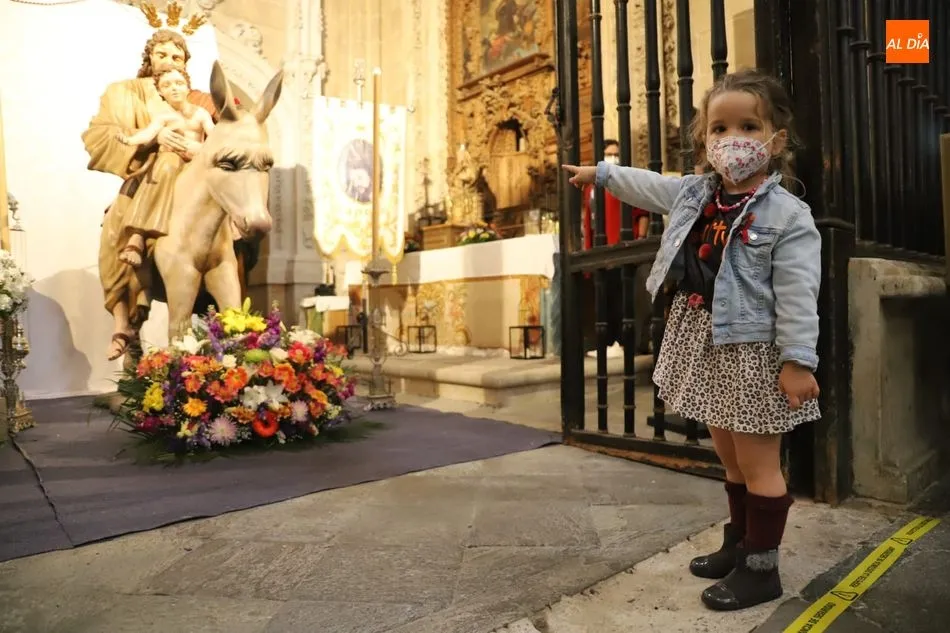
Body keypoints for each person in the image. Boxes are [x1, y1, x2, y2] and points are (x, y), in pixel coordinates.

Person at [562, 69, 821, 612]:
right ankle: (739, 542)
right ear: (705, 139)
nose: (734, 140)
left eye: (749, 125)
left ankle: (761, 569)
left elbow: (799, 293)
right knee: (728, 455)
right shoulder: (698, 193)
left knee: (759, 464)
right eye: (720, 128)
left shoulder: (788, 214)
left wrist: (797, 361)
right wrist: (600, 173)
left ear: (776, 138)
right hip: (705, 341)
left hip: (752, 353)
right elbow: (648, 184)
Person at [116, 67, 215, 268]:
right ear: (160, 92)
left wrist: (201, 148)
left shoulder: (201, 113)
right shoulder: (164, 117)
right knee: (165, 164)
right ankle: (138, 235)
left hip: (195, 162)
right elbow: (148, 134)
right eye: (167, 86)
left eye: (179, 83)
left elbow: (215, 139)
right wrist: (129, 139)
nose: (174, 89)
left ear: (188, 87)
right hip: (169, 163)